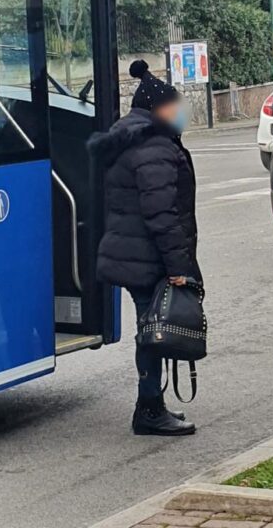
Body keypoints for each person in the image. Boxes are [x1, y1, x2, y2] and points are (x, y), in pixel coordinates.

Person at [88, 60, 200, 436]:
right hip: (147, 257)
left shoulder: (129, 138)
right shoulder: (154, 147)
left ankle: (151, 405)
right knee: (152, 333)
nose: (181, 112)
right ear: (160, 109)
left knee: (149, 328)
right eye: (176, 106)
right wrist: (179, 266)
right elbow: (161, 214)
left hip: (131, 252)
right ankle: (149, 408)